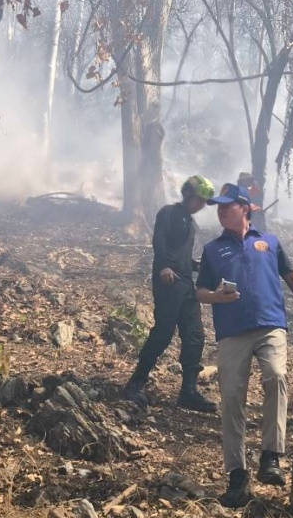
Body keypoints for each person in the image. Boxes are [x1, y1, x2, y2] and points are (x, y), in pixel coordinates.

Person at [196, 182, 293, 508]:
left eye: (227, 206)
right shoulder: (213, 249)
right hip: (232, 332)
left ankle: (271, 456)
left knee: (276, 376)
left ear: (245, 208)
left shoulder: (269, 242)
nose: (221, 211)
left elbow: (291, 275)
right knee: (231, 399)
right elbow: (200, 292)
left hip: (271, 325)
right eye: (218, 207)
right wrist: (216, 297)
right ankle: (237, 476)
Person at [123, 175, 219, 412]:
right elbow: (160, 241)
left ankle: (188, 392)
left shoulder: (191, 222)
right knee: (163, 333)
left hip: (186, 285)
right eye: (198, 199)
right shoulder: (168, 213)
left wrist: (197, 265)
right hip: (168, 282)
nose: (201, 205)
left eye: (204, 202)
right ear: (187, 194)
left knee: (195, 335)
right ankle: (135, 383)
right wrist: (164, 266)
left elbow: (181, 253)